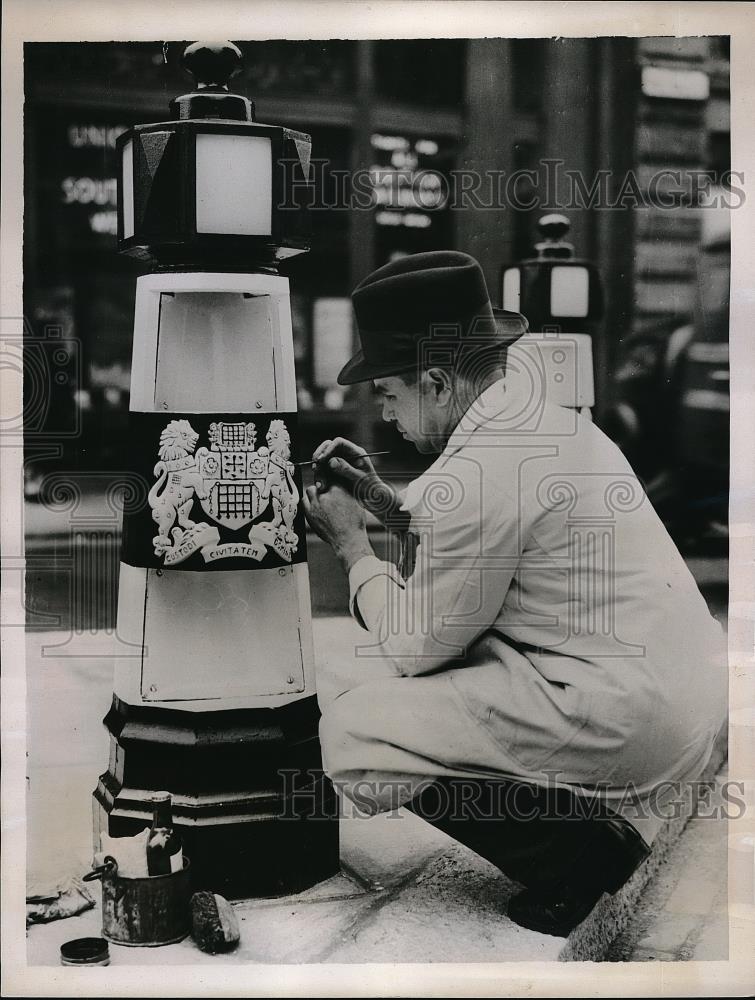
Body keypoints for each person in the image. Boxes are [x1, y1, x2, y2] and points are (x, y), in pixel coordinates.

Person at [303, 251, 727, 936]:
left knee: (351, 731)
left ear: (436, 382)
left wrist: (353, 548)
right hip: (682, 702)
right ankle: (584, 816)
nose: (384, 417)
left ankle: (576, 858)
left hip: (624, 721)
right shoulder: (547, 421)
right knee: (411, 668)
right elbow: (478, 532)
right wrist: (380, 502)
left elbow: (416, 649)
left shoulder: (473, 474)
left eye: (389, 394)